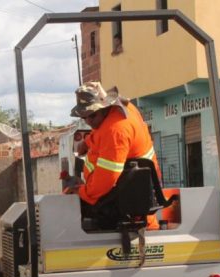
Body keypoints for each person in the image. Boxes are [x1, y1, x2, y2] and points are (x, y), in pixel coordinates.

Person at [67, 81, 161, 230]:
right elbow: (100, 133)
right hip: (129, 193)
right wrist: (87, 142)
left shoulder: (115, 131)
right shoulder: (120, 110)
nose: (88, 121)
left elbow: (105, 180)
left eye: (92, 115)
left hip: (126, 202)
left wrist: (81, 191)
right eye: (84, 117)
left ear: (104, 106)